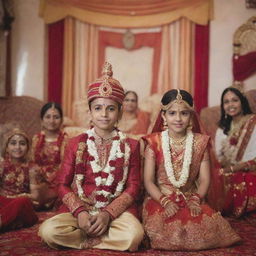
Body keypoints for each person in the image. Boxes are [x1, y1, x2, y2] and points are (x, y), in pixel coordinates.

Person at [38, 62, 144, 251]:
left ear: (120, 112)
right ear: (90, 112)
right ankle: (102, 240)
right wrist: (80, 212)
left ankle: (84, 239)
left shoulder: (131, 145)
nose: (104, 114)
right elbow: (62, 184)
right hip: (81, 211)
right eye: (98, 108)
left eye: (111, 109)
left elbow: (134, 187)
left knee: (133, 236)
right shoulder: (75, 143)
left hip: (116, 213)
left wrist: (108, 214)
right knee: (48, 231)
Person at [142, 89, 241, 250]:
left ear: (191, 116)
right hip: (160, 197)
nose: (178, 119)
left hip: (191, 197)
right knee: (168, 229)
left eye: (184, 113)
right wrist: (165, 201)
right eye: (172, 113)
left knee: (207, 227)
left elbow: (204, 179)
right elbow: (148, 181)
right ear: (163, 116)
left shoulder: (200, 142)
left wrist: (196, 199)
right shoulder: (154, 142)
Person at [214, 86, 256, 217]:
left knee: (242, 179)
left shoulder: (253, 123)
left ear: (242, 102)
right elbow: (217, 157)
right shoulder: (222, 129)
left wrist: (234, 168)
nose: (230, 105)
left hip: (249, 169)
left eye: (234, 100)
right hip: (227, 169)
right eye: (226, 102)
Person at [30, 102, 68, 209]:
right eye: (48, 117)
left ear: (61, 120)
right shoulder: (36, 138)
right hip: (39, 180)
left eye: (56, 117)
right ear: (42, 120)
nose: (51, 121)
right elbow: (32, 162)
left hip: (57, 179)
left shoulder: (65, 139)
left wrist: (50, 178)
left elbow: (65, 165)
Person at [0, 128, 38, 232]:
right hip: (4, 203)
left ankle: (3, 222)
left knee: (23, 201)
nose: (17, 147)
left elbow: (35, 196)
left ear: (28, 147)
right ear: (7, 147)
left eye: (22, 143)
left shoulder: (32, 168)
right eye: (13, 143)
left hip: (21, 204)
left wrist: (19, 197)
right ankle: (11, 222)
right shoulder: (2, 165)